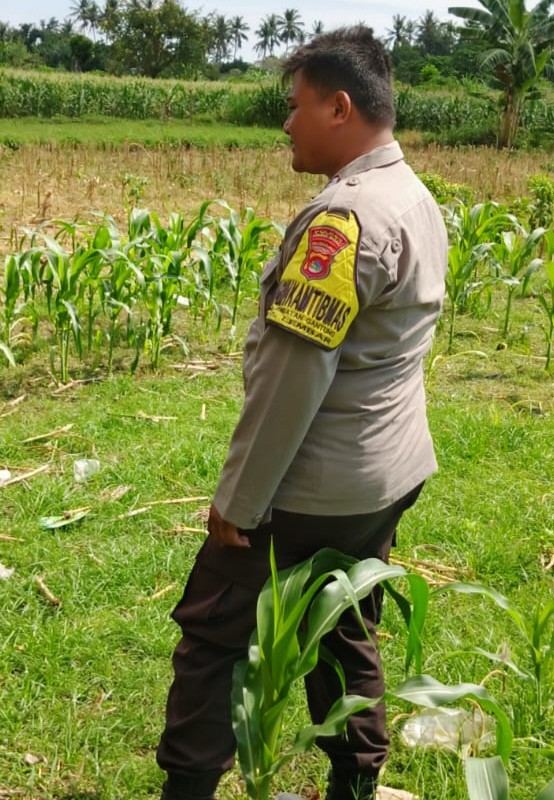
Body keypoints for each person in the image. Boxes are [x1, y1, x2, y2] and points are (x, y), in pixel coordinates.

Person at [156, 27, 448, 800]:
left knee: (214, 637)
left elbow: (294, 376)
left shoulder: (343, 221)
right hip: (386, 473)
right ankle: (355, 781)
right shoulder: (416, 197)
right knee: (342, 623)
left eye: (296, 107)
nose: (285, 123)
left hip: (311, 485)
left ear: (340, 108)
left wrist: (239, 502)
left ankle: (186, 789)